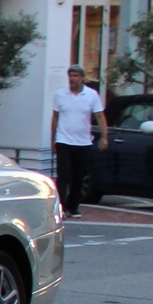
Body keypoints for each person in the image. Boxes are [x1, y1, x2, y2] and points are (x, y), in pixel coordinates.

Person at [50, 63, 106, 208]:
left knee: (78, 176)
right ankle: (61, 206)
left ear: (82, 78)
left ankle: (73, 207)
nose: (72, 79)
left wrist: (104, 136)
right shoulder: (60, 94)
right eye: (70, 76)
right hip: (63, 140)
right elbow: (55, 117)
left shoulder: (91, 95)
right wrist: (53, 139)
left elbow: (99, 116)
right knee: (63, 175)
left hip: (83, 142)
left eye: (75, 76)